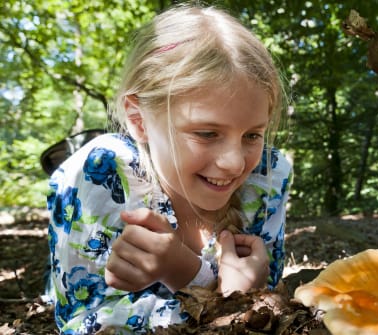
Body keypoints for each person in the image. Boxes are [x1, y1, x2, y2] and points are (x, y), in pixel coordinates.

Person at [45, 3, 292, 334]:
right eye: (206, 133)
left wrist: (195, 278)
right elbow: (78, 322)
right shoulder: (101, 173)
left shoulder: (268, 175)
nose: (235, 162)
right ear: (138, 119)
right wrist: (204, 283)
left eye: (252, 135)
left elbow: (264, 297)